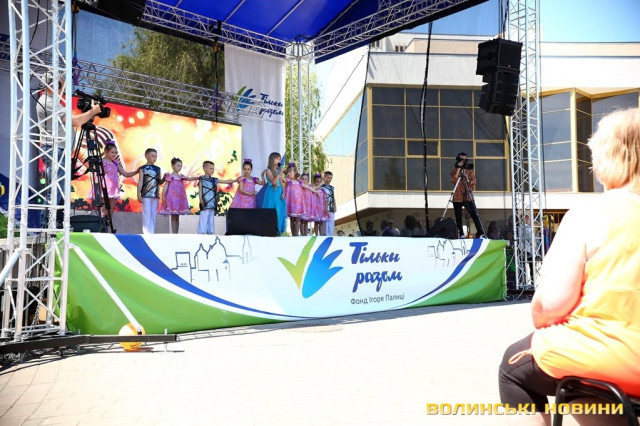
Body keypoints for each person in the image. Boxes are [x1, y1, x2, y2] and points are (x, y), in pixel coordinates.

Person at [498, 107, 640, 426]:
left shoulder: (593, 213)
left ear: (608, 158)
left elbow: (552, 305)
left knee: (513, 368)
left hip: (618, 356)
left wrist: (542, 315)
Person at [36, 76, 102, 225]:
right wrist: (93, 112)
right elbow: (76, 121)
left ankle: (54, 223)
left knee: (60, 190)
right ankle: (46, 226)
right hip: (55, 149)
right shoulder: (47, 102)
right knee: (56, 190)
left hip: (60, 150)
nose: (62, 88)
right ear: (51, 84)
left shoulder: (53, 101)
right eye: (60, 84)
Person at [87, 141, 138, 221]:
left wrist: (137, 171)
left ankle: (108, 226)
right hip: (103, 189)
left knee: (110, 211)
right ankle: (101, 226)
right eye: (112, 152)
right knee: (103, 211)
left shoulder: (115, 163)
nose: (114, 154)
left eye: (115, 152)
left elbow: (126, 174)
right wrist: (96, 189)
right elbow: (97, 176)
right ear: (106, 152)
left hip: (113, 190)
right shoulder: (101, 162)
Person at [450, 152, 485, 238]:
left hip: (467, 196)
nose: (463, 162)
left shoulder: (469, 171)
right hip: (457, 196)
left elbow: (473, 182)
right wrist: (458, 169)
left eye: (465, 160)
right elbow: (454, 180)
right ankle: (461, 234)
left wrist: (467, 178)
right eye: (461, 160)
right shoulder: (454, 171)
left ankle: (480, 233)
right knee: (458, 216)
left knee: (474, 215)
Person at [159, 158, 199, 234]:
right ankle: (174, 233)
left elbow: (189, 178)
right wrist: (163, 196)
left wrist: (198, 177)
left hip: (179, 199)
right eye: (178, 166)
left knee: (177, 216)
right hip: (172, 199)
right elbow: (165, 187)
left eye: (181, 166)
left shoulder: (181, 176)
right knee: (173, 216)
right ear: (172, 166)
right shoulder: (170, 176)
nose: (179, 167)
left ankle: (176, 233)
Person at [197, 160, 236, 235]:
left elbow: (225, 181)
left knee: (211, 218)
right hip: (204, 202)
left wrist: (235, 180)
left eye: (213, 169)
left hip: (212, 203)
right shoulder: (201, 180)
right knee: (204, 218)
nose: (212, 170)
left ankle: (210, 233)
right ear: (204, 168)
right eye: (210, 168)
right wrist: (200, 199)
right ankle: (201, 233)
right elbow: (200, 190)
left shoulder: (214, 180)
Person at [284, 164, 321, 236]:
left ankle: (296, 235)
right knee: (292, 220)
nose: (288, 173)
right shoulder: (288, 181)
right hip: (291, 204)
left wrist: (316, 192)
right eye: (288, 172)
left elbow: (308, 187)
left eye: (290, 172)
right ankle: (293, 235)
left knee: (298, 220)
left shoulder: (299, 182)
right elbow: (281, 180)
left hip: (298, 204)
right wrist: (281, 172)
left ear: (295, 172)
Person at [260, 152, 287, 235]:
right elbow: (274, 182)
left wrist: (283, 192)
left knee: (279, 211)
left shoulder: (278, 171)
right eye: (277, 159)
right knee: (272, 211)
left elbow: (282, 183)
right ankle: (270, 230)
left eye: (279, 159)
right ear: (272, 160)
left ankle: (277, 230)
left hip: (279, 193)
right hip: (271, 193)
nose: (279, 160)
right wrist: (280, 173)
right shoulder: (268, 171)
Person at [137, 148, 163, 234]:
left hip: (155, 194)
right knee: (147, 213)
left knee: (154, 213)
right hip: (146, 194)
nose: (154, 158)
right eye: (152, 156)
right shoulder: (143, 168)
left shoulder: (158, 169)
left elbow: (159, 181)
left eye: (155, 156)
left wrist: (164, 178)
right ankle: (146, 232)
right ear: (146, 156)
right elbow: (140, 181)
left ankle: (152, 232)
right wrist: (138, 194)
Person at [321, 171, 336, 236]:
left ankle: (330, 236)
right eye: (328, 177)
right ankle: (324, 237)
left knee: (331, 225)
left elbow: (333, 197)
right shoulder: (322, 187)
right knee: (325, 226)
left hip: (331, 208)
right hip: (324, 209)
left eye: (331, 178)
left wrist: (335, 206)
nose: (329, 179)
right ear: (324, 177)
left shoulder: (332, 187)